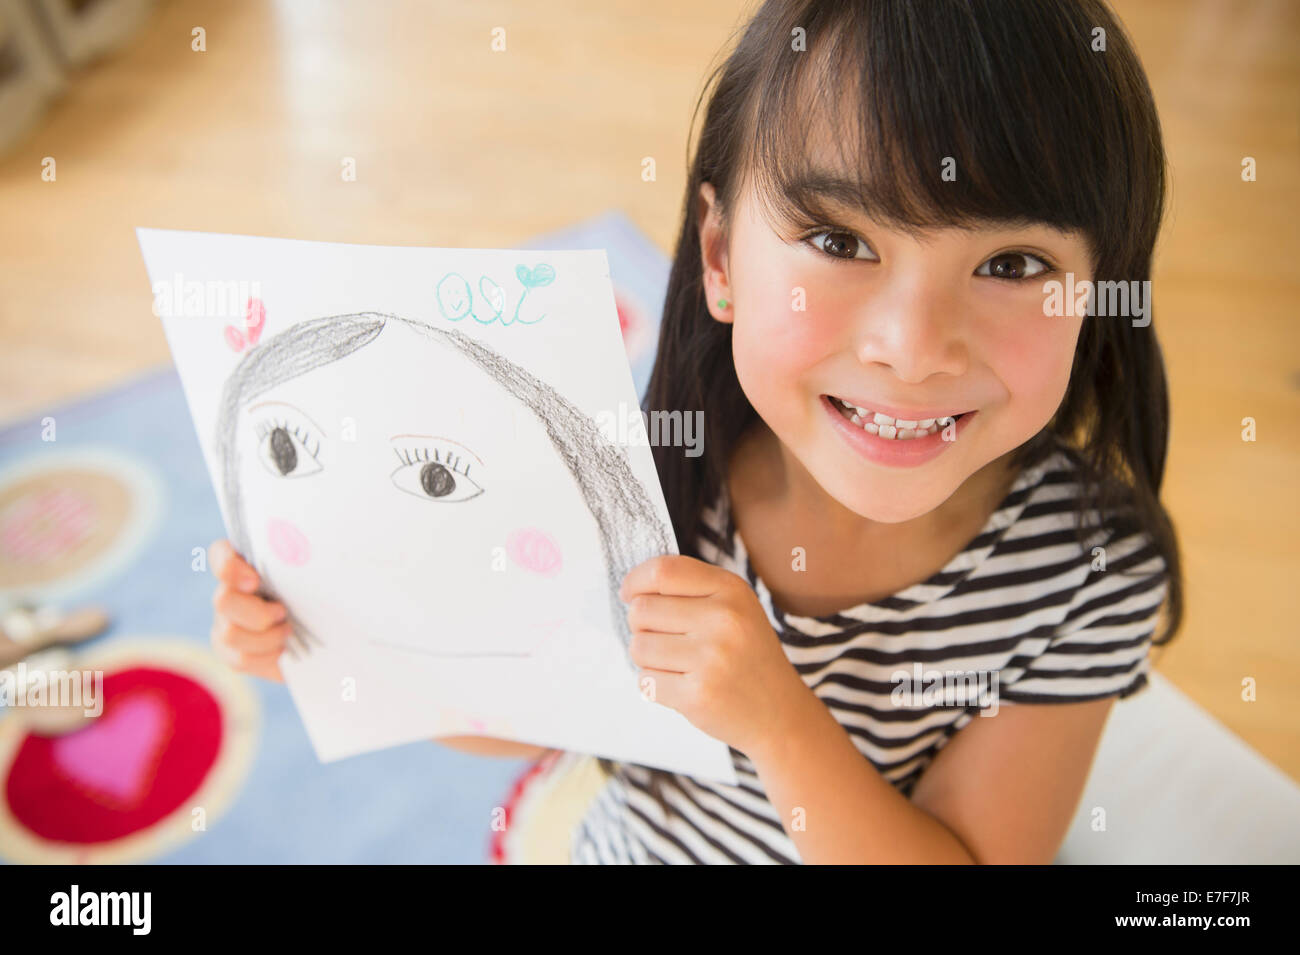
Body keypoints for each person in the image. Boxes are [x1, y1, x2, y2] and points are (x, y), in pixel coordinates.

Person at [212, 0, 1183, 863]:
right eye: (842, 242)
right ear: (720, 256)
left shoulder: (1085, 571)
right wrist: (332, 636)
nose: (913, 348)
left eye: (1011, 263)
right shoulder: (652, 469)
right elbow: (521, 716)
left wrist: (778, 722)